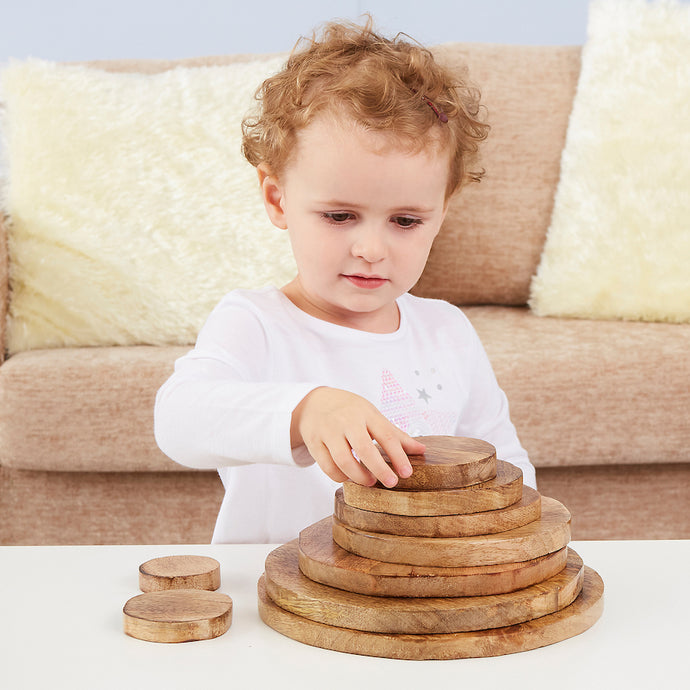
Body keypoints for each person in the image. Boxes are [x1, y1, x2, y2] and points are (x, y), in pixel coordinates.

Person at [154, 18, 536, 543]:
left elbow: (504, 462)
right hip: (277, 598)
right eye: (339, 217)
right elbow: (178, 420)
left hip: (410, 589)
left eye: (405, 221)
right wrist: (306, 409)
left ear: (442, 214)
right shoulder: (257, 323)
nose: (372, 250)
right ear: (277, 199)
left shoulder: (447, 331)